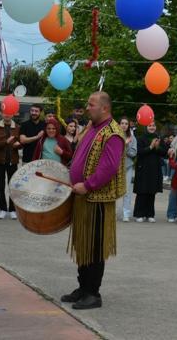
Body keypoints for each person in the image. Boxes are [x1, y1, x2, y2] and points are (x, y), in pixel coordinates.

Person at [60, 92, 125, 310]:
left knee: (95, 246)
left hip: (97, 198)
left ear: (104, 108)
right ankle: (83, 287)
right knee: (83, 243)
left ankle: (93, 293)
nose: (87, 108)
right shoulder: (93, 128)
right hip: (81, 196)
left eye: (91, 105)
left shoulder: (113, 133)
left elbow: (108, 167)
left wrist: (87, 185)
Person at [132, 122, 165, 222]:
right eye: (150, 126)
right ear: (146, 127)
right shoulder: (140, 138)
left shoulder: (159, 138)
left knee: (152, 191)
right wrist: (150, 147)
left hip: (155, 168)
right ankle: (139, 214)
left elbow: (164, 153)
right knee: (142, 191)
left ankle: (150, 214)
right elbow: (139, 152)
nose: (152, 127)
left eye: (154, 126)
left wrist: (157, 147)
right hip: (143, 168)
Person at [0, 110, 22, 219]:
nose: (7, 114)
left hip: (12, 161)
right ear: (1, 113)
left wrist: (18, 145)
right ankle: (3, 209)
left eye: (9, 113)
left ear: (13, 114)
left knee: (12, 186)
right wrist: (6, 142)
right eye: (5, 112)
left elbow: (21, 143)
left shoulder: (17, 127)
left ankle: (12, 209)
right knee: (0, 186)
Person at [118, 117, 136, 222]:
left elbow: (133, 153)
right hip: (115, 167)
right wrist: (123, 143)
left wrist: (127, 145)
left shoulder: (132, 138)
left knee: (127, 191)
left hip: (128, 167)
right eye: (122, 123)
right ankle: (113, 212)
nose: (124, 125)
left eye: (126, 123)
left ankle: (126, 213)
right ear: (119, 124)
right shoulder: (115, 136)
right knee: (114, 190)